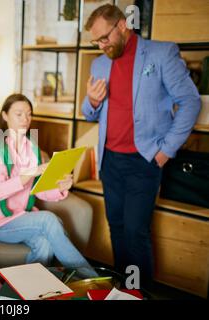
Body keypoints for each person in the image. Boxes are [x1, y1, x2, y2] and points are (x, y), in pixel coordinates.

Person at [82, 4, 201, 286]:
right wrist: (93, 102)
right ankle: (125, 288)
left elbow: (190, 102)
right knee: (118, 228)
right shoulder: (99, 63)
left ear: (122, 25)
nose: (101, 45)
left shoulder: (161, 53)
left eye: (104, 37)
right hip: (110, 161)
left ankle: (139, 293)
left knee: (136, 232)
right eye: (95, 41)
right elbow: (90, 113)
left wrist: (164, 152)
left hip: (144, 160)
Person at [0, 93, 98, 278]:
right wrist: (31, 172)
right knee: (47, 219)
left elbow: (39, 190)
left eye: (29, 113)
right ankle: (91, 280)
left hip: (22, 217)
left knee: (45, 244)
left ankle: (24, 292)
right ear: (5, 116)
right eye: (19, 114)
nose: (25, 119)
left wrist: (61, 186)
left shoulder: (31, 149)